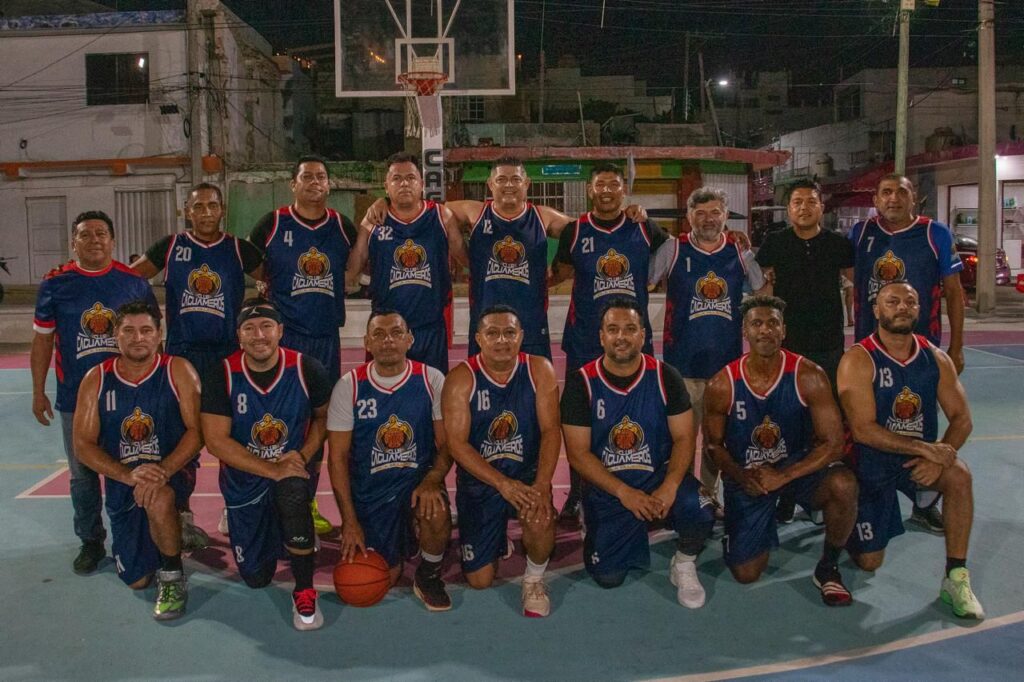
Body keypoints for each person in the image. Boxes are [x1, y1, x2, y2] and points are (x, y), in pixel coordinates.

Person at [838, 281, 983, 619]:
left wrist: (941, 455)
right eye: (892, 301)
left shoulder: (935, 358)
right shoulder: (858, 359)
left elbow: (962, 418)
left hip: (919, 462)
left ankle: (956, 576)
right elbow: (863, 430)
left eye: (910, 301)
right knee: (870, 562)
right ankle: (850, 520)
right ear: (876, 310)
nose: (902, 307)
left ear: (920, 309)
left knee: (959, 475)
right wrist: (927, 450)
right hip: (871, 465)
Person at [131, 182, 264, 550]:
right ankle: (183, 514)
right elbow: (128, 277)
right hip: (182, 355)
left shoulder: (239, 249)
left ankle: (234, 508)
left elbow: (275, 280)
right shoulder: (171, 246)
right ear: (187, 211)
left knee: (231, 436)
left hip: (225, 356)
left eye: (212, 206)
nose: (206, 212)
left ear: (223, 210)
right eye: (198, 206)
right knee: (181, 438)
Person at [702, 295, 858, 604]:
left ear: (783, 330)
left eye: (773, 323)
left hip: (796, 468)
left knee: (844, 484)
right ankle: (756, 522)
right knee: (746, 573)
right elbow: (713, 446)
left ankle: (827, 567)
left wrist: (784, 477)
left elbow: (834, 443)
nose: (765, 331)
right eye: (756, 324)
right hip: (749, 474)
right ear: (744, 331)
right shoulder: (722, 384)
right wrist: (739, 475)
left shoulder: (808, 375)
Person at [561, 297, 715, 606]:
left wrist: (670, 487)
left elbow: (685, 438)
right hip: (610, 486)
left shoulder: (665, 376)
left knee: (701, 508)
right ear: (601, 336)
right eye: (613, 329)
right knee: (608, 578)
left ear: (643, 336)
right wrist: (624, 493)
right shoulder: (581, 383)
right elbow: (578, 455)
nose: (622, 337)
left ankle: (683, 562)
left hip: (657, 477)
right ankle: (599, 519)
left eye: (630, 329)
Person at [31, 210, 160, 575]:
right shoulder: (56, 283)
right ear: (73, 242)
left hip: (130, 394)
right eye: (85, 235)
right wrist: (38, 390)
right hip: (76, 397)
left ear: (113, 240)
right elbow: (42, 342)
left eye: (101, 234)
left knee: (138, 463)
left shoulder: (132, 281)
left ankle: (144, 533)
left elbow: (152, 336)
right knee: (82, 475)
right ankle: (90, 541)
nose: (94, 240)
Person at [200, 299, 332, 630]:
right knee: (257, 577)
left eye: (266, 326)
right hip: (244, 480)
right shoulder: (222, 373)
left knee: (292, 494)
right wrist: (271, 468)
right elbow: (216, 440)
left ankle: (304, 591)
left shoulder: (307, 368)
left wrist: (301, 456)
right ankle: (254, 519)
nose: (259, 335)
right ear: (239, 336)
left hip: (291, 472)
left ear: (280, 331)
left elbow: (323, 418)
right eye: (249, 328)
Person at [552, 163, 671, 518]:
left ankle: (642, 487)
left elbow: (684, 251)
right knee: (580, 420)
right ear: (590, 190)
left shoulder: (644, 226)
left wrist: (736, 239)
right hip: (585, 341)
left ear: (624, 190)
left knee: (638, 417)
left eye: (613, 184)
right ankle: (577, 494)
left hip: (633, 344)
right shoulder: (575, 231)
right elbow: (560, 274)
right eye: (600, 184)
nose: (606, 190)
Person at [248, 155, 358, 536]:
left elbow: (360, 265)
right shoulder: (273, 223)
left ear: (329, 186)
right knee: (271, 420)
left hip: (326, 338)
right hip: (284, 340)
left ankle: (306, 501)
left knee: (320, 422)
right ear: (293, 184)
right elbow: (251, 265)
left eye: (321, 177)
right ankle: (247, 499)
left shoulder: (342, 226)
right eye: (306, 176)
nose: (314, 182)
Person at [849, 174, 965, 533]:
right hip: (870, 351)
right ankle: (865, 497)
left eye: (902, 191)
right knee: (867, 424)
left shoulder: (936, 234)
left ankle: (924, 498)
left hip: (920, 348)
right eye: (886, 192)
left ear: (915, 198)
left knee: (918, 419)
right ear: (876, 198)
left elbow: (954, 292)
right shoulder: (861, 233)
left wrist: (957, 346)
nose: (894, 198)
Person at [71, 301, 202, 619]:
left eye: (146, 330)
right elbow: (83, 445)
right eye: (128, 331)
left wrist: (162, 470)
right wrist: (128, 476)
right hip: (123, 481)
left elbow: (198, 433)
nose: (137, 337)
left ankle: (172, 576)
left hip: (172, 470)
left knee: (159, 497)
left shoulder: (178, 370)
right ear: (116, 335)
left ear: (159, 334)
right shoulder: (96, 378)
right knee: (137, 580)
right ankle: (170, 531)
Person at [326, 310, 453, 611]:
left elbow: (448, 445)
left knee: (435, 511)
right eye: (379, 334)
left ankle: (429, 572)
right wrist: (349, 521)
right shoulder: (349, 386)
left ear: (409, 339)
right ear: (367, 342)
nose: (388, 341)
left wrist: (433, 480)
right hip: (371, 496)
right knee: (382, 576)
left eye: (396, 333)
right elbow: (337, 458)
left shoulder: (431, 378)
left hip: (415, 487)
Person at [441, 305, 561, 617]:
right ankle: (495, 535)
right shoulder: (460, 379)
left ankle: (534, 578)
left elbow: (550, 431)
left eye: (510, 332)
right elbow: (456, 444)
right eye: (492, 333)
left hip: (526, 475)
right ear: (478, 338)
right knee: (480, 580)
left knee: (539, 514)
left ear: (521, 336)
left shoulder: (539, 369)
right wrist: (502, 484)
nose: (502, 340)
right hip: (483, 481)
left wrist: (543, 485)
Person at [649, 186, 766, 494]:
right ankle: (685, 498)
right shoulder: (673, 249)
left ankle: (709, 496)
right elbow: (643, 284)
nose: (708, 219)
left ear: (726, 216)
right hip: (681, 366)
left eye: (715, 212)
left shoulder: (740, 251)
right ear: (689, 217)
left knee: (717, 440)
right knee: (682, 439)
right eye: (699, 213)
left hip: (725, 370)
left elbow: (761, 290)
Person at [348, 152, 468, 373]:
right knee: (385, 396)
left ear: (421, 183)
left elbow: (467, 259)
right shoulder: (373, 221)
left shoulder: (442, 216)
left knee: (432, 397)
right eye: (396, 178)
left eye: (411, 178)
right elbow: (352, 271)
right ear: (386, 186)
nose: (404, 183)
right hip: (385, 330)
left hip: (429, 327)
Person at [756, 180, 854, 390]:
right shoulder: (774, 242)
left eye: (811, 202)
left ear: (822, 207)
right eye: (797, 202)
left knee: (829, 404)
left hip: (829, 342)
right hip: (786, 340)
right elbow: (763, 288)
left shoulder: (839, 244)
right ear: (789, 208)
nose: (804, 208)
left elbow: (854, 284)